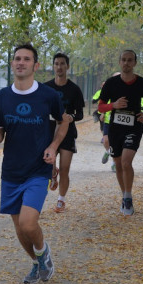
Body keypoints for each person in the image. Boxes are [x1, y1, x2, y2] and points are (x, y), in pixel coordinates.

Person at [0, 43, 69, 284]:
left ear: (36, 65)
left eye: (26, 59)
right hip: (11, 170)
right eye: (17, 58)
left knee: (28, 222)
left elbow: (63, 122)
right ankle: (36, 263)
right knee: (19, 227)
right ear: (12, 64)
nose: (20, 62)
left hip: (38, 169)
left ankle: (43, 252)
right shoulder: (2, 96)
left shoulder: (48, 95)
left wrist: (53, 148)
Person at [97, 50, 143, 216]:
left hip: (134, 127)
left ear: (135, 63)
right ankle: (124, 195)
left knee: (127, 162)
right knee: (119, 163)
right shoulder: (111, 83)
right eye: (124, 60)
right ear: (119, 62)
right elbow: (100, 106)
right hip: (115, 128)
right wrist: (113, 105)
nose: (126, 63)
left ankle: (128, 198)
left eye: (130, 60)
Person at [44, 53, 84, 213]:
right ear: (53, 66)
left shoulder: (74, 89)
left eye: (62, 64)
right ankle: (53, 173)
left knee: (65, 168)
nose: (59, 67)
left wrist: (71, 117)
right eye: (56, 64)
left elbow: (80, 113)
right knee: (48, 166)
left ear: (67, 66)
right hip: (49, 131)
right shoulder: (46, 87)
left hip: (67, 132)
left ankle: (61, 200)